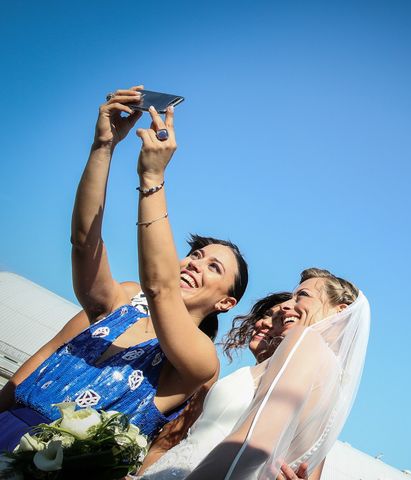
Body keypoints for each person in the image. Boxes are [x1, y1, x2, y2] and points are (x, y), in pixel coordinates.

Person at [0, 86, 248, 450]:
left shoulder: (199, 360)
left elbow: (161, 288)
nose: (196, 263)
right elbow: (84, 244)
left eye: (214, 267)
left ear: (225, 302)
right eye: (195, 254)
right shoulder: (124, 299)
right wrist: (104, 146)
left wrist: (152, 178)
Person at [138, 268, 369, 480]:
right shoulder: (332, 386)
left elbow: (250, 446)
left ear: (341, 310)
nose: (286, 306)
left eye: (302, 296)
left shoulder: (305, 341)